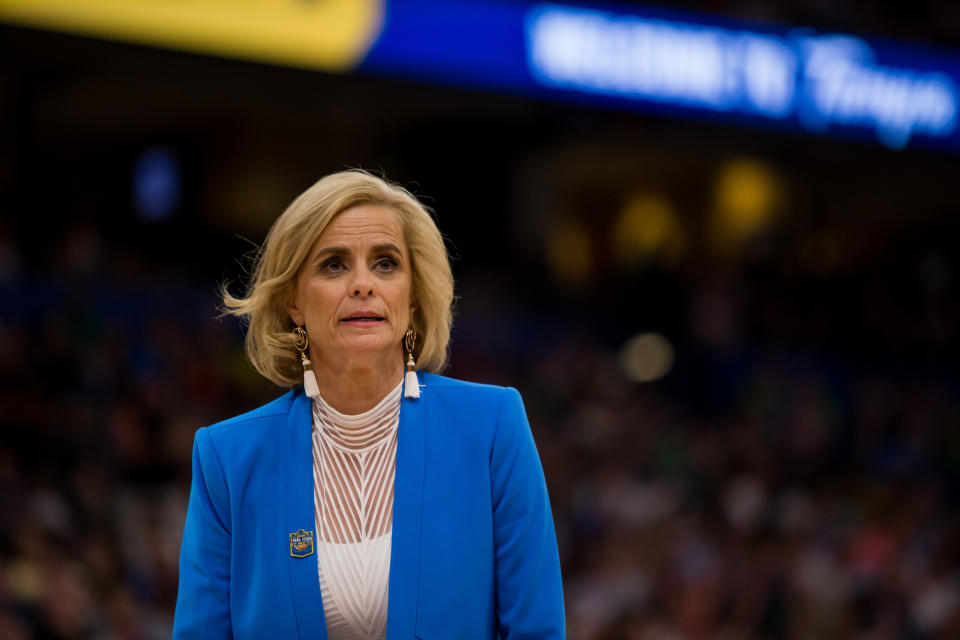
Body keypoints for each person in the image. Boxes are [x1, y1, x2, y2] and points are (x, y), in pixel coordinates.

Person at [172, 170, 565, 639]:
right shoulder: (228, 458)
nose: (362, 284)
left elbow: (536, 629)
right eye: (334, 265)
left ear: (414, 296)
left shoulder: (492, 426)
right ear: (293, 302)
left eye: (385, 264)